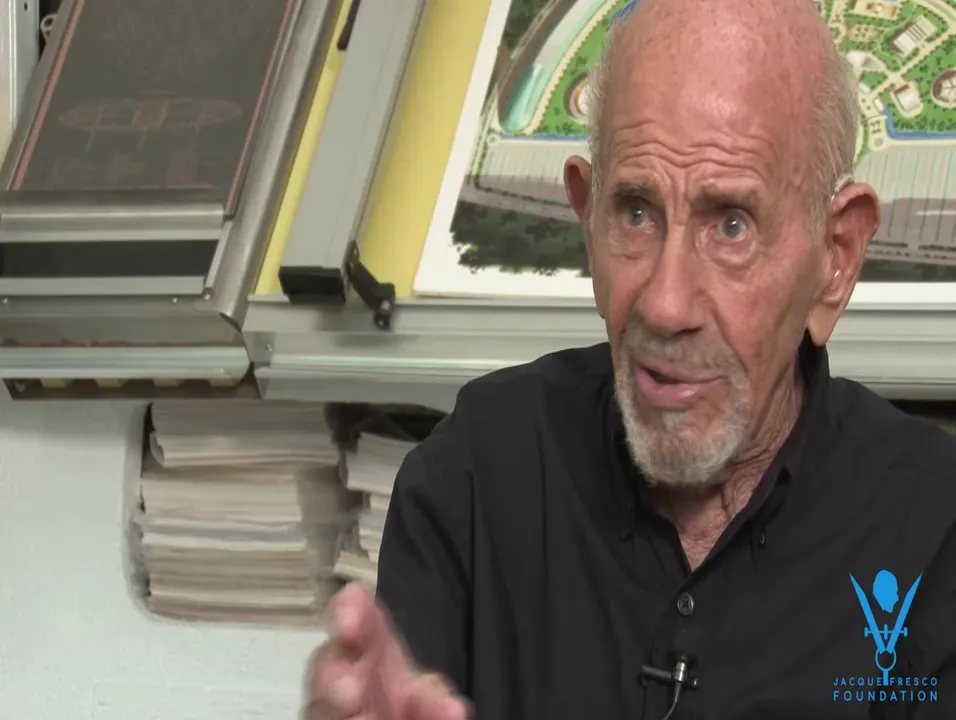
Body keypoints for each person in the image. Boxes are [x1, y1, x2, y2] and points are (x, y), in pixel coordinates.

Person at [308, 0, 956, 717]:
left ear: (837, 255)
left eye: (731, 225)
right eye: (636, 213)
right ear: (587, 218)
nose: (666, 305)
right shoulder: (474, 476)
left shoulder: (934, 531)